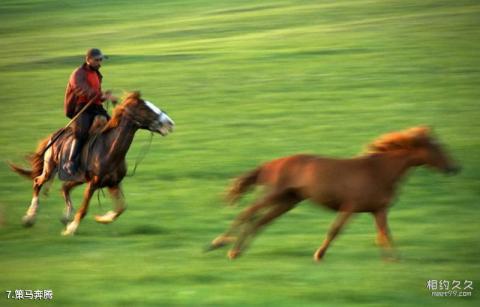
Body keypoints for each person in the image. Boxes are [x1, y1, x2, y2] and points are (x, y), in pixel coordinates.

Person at [63, 48, 118, 175]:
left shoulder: (96, 73)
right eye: (97, 60)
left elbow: (96, 94)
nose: (100, 63)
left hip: (95, 107)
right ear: (88, 60)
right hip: (81, 107)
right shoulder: (78, 74)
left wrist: (104, 96)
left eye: (101, 60)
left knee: (113, 126)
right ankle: (70, 162)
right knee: (82, 132)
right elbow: (82, 90)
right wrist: (101, 95)